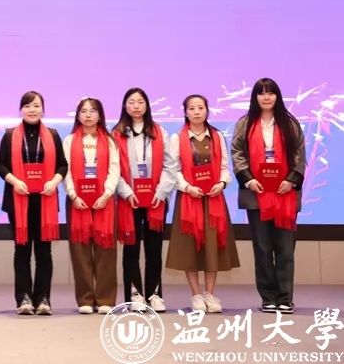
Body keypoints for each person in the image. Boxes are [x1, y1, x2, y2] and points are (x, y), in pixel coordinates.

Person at [230, 78, 305, 314]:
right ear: (255, 97)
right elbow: (237, 152)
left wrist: (290, 180)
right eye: (261, 93)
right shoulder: (245, 123)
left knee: (285, 248)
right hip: (256, 193)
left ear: (277, 96)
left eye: (270, 93)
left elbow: (299, 154)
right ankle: (268, 297)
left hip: (285, 194)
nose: (266, 97)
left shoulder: (290, 123)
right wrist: (248, 179)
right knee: (262, 248)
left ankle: (285, 298)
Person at [163, 94, 239, 313]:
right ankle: (196, 295)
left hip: (213, 199)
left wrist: (222, 183)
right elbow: (173, 169)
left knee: (212, 246)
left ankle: (210, 294)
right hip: (189, 199)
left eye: (200, 108)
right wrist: (187, 187)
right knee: (190, 247)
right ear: (185, 112)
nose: (196, 112)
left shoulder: (216, 136)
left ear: (207, 110)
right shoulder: (177, 138)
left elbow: (224, 166)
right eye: (192, 108)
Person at [0, 90, 67, 316]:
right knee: (22, 250)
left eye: (36, 106)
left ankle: (43, 297)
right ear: (21, 110)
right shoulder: (10, 135)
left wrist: (54, 182)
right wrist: (15, 181)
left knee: (44, 251)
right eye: (27, 106)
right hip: (18, 198)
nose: (32, 110)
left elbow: (63, 165)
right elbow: (1, 165)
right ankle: (24, 298)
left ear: (43, 110)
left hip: (45, 199)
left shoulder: (53, 135)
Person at [111, 87, 174, 313]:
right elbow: (113, 168)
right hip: (129, 200)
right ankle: (135, 295)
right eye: (131, 102)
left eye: (140, 101)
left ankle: (154, 294)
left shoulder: (160, 132)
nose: (136, 106)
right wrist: (127, 192)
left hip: (156, 199)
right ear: (125, 106)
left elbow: (170, 165)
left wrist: (161, 192)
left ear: (147, 105)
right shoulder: (116, 133)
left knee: (154, 249)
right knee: (131, 249)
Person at [63, 97, 124, 315]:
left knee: (106, 250)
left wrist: (107, 194)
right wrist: (73, 195)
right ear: (78, 115)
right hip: (77, 201)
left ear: (100, 115)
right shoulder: (70, 140)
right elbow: (65, 170)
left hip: (104, 201)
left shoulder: (110, 141)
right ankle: (85, 299)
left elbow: (114, 169)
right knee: (80, 252)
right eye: (84, 111)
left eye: (93, 111)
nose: (88, 115)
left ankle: (106, 298)